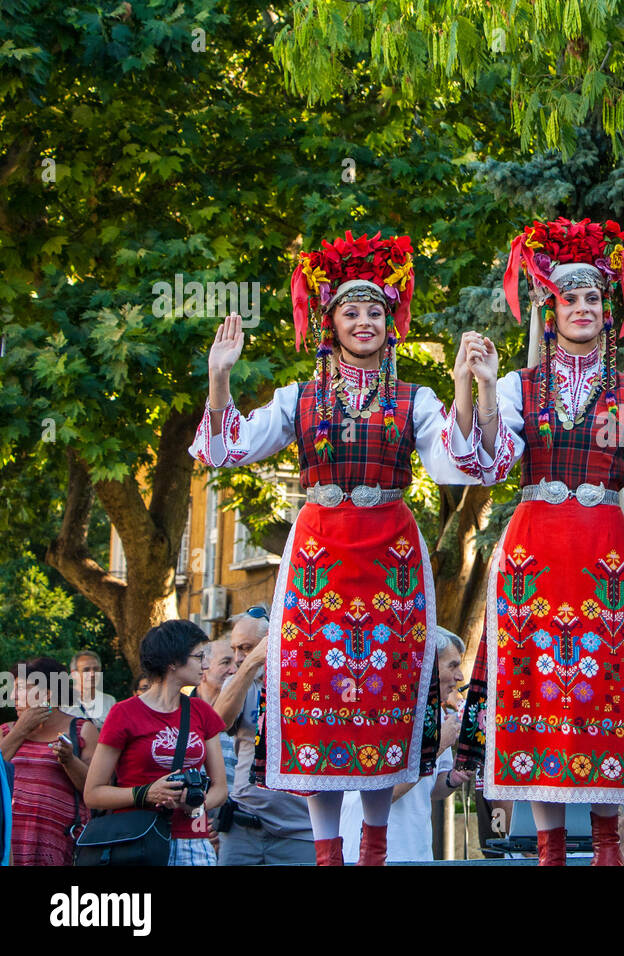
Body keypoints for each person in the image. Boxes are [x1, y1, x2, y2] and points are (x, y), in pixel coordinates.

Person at [191, 231, 483, 865]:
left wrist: (464, 385)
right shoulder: (301, 397)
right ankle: (328, 857)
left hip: (391, 557)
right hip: (319, 555)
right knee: (318, 702)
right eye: (351, 311)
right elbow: (227, 448)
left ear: (391, 322)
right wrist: (220, 379)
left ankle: (371, 852)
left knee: (386, 699)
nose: (364, 321)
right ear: (331, 323)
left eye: (375, 311)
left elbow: (458, 463)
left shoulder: (416, 398)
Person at [454, 217, 624, 866]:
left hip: (605, 557)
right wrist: (480, 386)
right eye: (573, 298)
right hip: (532, 557)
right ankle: (548, 854)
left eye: (596, 297)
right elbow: (494, 457)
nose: (585, 307)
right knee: (538, 696)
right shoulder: (517, 386)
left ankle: (609, 853)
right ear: (551, 308)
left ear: (608, 308)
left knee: (602, 696)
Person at [85, 620, 228, 866]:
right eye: (198, 656)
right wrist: (146, 794)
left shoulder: (202, 712)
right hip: (137, 839)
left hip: (193, 839)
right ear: (172, 662)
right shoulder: (123, 713)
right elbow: (93, 794)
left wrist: (196, 803)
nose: (205, 665)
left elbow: (221, 789)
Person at [340, 627, 471, 863]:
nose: (460, 676)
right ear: (427, 665)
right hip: (373, 852)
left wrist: (454, 776)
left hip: (417, 850)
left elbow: (433, 790)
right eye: (452, 666)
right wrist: (438, 746)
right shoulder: (384, 713)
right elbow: (383, 794)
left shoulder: (437, 715)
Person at [211, 607, 315, 866]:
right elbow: (218, 723)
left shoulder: (307, 679)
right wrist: (250, 664)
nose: (237, 657)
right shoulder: (240, 682)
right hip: (243, 828)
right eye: (234, 649)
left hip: (300, 832)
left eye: (245, 647)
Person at [0, 657, 98, 865]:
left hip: (59, 843)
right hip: (9, 842)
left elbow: (94, 790)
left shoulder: (82, 730)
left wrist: (69, 760)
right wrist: (21, 731)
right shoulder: (6, 731)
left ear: (47, 693)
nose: (12, 696)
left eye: (20, 688)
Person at [62, 649, 117, 727]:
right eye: (86, 670)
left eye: (96, 669)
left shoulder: (109, 701)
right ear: (74, 674)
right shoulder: (63, 702)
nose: (92, 674)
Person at [190, 638, 235, 707]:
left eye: (237, 664)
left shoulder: (244, 709)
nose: (234, 670)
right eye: (226, 662)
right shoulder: (183, 710)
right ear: (203, 669)